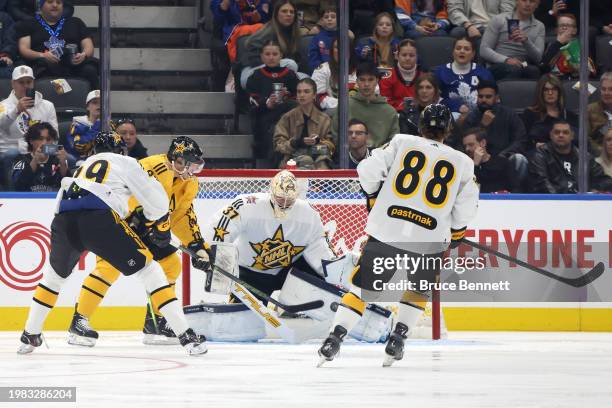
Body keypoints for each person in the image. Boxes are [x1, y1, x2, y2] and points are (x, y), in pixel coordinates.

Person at [17, 131, 207, 356]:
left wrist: (194, 243)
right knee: (150, 271)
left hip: (63, 219)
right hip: (101, 219)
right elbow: (157, 205)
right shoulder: (128, 162)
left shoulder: (83, 165)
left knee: (53, 278)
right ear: (121, 150)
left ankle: (30, 334)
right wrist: (151, 223)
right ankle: (186, 336)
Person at [317, 104, 479, 367]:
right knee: (417, 291)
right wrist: (457, 232)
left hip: (387, 230)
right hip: (429, 238)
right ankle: (398, 339)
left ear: (420, 126)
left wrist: (372, 195)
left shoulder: (402, 142)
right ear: (448, 130)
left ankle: (334, 339)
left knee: (361, 290)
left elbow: (367, 171)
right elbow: (465, 208)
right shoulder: (463, 162)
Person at [69, 136, 208, 346]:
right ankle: (78, 322)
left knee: (171, 264)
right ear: (177, 160)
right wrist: (145, 222)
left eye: (196, 166)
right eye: (190, 165)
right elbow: (130, 197)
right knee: (108, 267)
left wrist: (196, 245)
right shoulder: (153, 166)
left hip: (148, 225)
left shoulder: (188, 182)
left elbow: (182, 215)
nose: (193, 171)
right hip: (118, 221)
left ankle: (156, 323)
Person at [203, 169, 336, 302]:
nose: (284, 204)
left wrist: (334, 273)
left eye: (289, 200)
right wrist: (212, 256)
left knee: (322, 287)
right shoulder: (247, 204)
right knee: (241, 318)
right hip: (249, 274)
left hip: (287, 272)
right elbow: (220, 227)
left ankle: (297, 308)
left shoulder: (309, 214)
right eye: (280, 198)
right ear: (271, 192)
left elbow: (319, 247)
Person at [15, 0, 99, 89]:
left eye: (59, 2)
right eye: (50, 2)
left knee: (90, 70)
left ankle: (96, 101)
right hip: (44, 66)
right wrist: (42, 55)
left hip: (73, 66)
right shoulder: (29, 23)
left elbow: (88, 45)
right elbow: (24, 49)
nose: (55, 5)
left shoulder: (76, 22)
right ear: (41, 5)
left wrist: (84, 55)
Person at [0, 65, 57, 190]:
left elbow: (54, 137)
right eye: (21, 82)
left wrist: (43, 150)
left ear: (33, 83)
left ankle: (51, 192)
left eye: (29, 82)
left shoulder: (48, 106)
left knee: (68, 157)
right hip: (13, 152)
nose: (25, 86)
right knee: (11, 154)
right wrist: (16, 110)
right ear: (13, 84)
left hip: (42, 150)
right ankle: (11, 194)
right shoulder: (3, 106)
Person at [462, 81, 528, 182]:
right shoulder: (472, 117)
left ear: (496, 98)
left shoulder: (509, 115)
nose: (483, 100)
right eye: (481, 96)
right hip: (479, 159)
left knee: (519, 159)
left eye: (488, 97)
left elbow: (521, 139)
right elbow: (466, 142)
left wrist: (503, 155)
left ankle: (515, 194)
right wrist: (483, 126)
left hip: (505, 158)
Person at [245, 40, 298, 164]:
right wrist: (267, 103)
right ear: (262, 56)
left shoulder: (290, 75)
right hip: (265, 117)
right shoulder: (255, 76)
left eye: (275, 54)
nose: (271, 57)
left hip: (289, 117)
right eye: (267, 54)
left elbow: (299, 99)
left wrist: (287, 96)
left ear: (281, 56)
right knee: (273, 129)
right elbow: (251, 102)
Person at [528, 120, 612, 194]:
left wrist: (594, 189)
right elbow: (541, 184)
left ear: (572, 136)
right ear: (551, 135)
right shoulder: (540, 155)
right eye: (557, 132)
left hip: (581, 203)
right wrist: (563, 200)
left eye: (565, 132)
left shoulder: (584, 157)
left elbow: (604, 180)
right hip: (552, 204)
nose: (561, 135)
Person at [331, 61, 399, 148]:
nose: (366, 84)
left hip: (379, 159)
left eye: (370, 79)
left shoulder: (389, 112)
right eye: (362, 79)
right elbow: (336, 135)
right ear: (357, 82)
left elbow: (394, 142)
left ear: (377, 81)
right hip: (349, 158)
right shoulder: (345, 106)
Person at [273, 78, 334, 169]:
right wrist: (296, 143)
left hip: (318, 159)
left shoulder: (324, 120)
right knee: (305, 161)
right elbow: (278, 145)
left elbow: (331, 147)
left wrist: (317, 142)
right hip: (292, 159)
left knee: (317, 164)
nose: (302, 95)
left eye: (306, 92)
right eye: (299, 92)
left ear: (314, 95)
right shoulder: (287, 117)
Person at [480, 0, 545, 80]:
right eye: (524, 0)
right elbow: (484, 49)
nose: (528, 4)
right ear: (516, 1)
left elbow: (538, 58)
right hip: (498, 64)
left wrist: (526, 41)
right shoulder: (499, 19)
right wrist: (506, 60)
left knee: (534, 71)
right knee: (513, 69)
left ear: (537, 4)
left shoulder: (539, 26)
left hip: (523, 64)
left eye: (532, 1)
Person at [433, 36, 494, 114]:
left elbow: (492, 96)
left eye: (466, 49)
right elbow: (435, 98)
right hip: (451, 114)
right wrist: (456, 107)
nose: (462, 51)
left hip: (479, 114)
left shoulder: (483, 73)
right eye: (458, 48)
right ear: (453, 52)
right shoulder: (440, 72)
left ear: (473, 54)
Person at [521, 74, 578, 154]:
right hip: (537, 156)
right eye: (546, 90)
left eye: (554, 89)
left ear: (559, 92)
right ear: (541, 92)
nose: (550, 93)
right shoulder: (530, 114)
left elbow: (577, 141)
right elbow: (523, 141)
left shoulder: (569, 116)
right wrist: (535, 146)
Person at [11, 121, 68, 191]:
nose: (44, 143)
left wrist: (62, 163)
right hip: (27, 199)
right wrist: (35, 160)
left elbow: (67, 186)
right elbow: (18, 185)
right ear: (31, 141)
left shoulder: (57, 160)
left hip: (53, 200)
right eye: (40, 139)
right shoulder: (21, 159)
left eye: (48, 139)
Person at [311, 37, 359, 114]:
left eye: (345, 48)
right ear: (332, 51)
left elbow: (374, 92)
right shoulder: (322, 70)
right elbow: (318, 97)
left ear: (351, 51)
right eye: (337, 47)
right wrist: (344, 105)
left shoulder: (360, 70)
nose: (341, 51)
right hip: (333, 112)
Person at [540, 13, 596, 79]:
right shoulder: (550, 46)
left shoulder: (582, 47)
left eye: (568, 25)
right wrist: (558, 43)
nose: (564, 28)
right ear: (556, 30)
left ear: (575, 30)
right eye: (562, 25)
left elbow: (590, 72)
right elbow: (543, 68)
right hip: (554, 82)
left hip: (575, 82)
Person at [462, 127, 516, 192]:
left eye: (471, 145)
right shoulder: (464, 166)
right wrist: (475, 164)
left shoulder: (502, 163)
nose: (467, 149)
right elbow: (468, 189)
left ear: (483, 143)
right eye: (465, 146)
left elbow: (515, 188)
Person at [379, 39, 423, 112]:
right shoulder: (387, 78)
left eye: (411, 55)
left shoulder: (424, 78)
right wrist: (403, 109)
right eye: (404, 55)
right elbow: (385, 103)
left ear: (417, 57)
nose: (407, 58)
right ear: (397, 56)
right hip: (394, 115)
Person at [448, 0, 515, 43]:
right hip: (467, 24)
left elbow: (508, 12)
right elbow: (454, 11)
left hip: (492, 24)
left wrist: (513, 31)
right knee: (457, 32)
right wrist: (468, 25)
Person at [65, 89, 100, 165]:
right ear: (87, 107)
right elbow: (78, 146)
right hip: (79, 161)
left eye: (102, 103)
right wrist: (97, 126)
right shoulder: (77, 124)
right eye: (95, 103)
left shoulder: (109, 125)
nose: (99, 106)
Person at [587, 71, 612, 156]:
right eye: (603, 89)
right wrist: (602, 151)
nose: (606, 93)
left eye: (610, 89)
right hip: (599, 158)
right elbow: (585, 139)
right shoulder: (589, 110)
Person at [8, 0, 73, 22]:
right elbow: (13, 7)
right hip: (28, 19)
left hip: (55, 19)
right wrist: (27, 19)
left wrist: (55, 18)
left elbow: (68, 7)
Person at [0, 9, 16, 78]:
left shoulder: (4, 17)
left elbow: (10, 39)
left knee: (10, 73)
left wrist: (6, 55)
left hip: (1, 61)